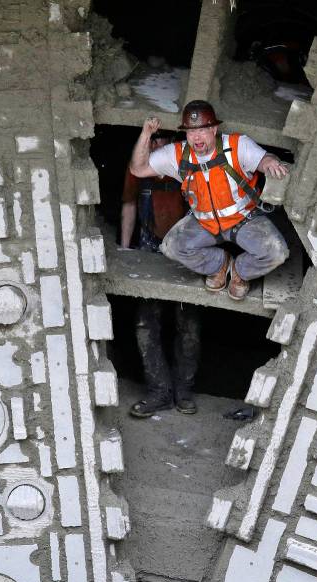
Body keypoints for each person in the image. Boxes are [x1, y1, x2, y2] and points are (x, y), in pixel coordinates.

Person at [128, 100, 290, 300]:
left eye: (203, 130)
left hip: (243, 218)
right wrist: (146, 134)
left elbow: (263, 158)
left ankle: (240, 272)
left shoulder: (237, 145)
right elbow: (138, 169)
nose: (196, 137)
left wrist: (270, 163)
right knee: (171, 246)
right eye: (190, 131)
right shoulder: (177, 155)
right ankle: (220, 265)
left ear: (214, 129)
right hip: (203, 222)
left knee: (277, 253)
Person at [123, 131, 202, 418]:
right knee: (145, 324)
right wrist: (124, 249)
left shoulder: (191, 170)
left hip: (185, 257)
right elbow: (129, 204)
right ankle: (159, 392)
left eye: (164, 140)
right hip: (148, 252)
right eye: (153, 140)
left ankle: (184, 391)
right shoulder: (137, 170)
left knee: (188, 326)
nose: (157, 146)